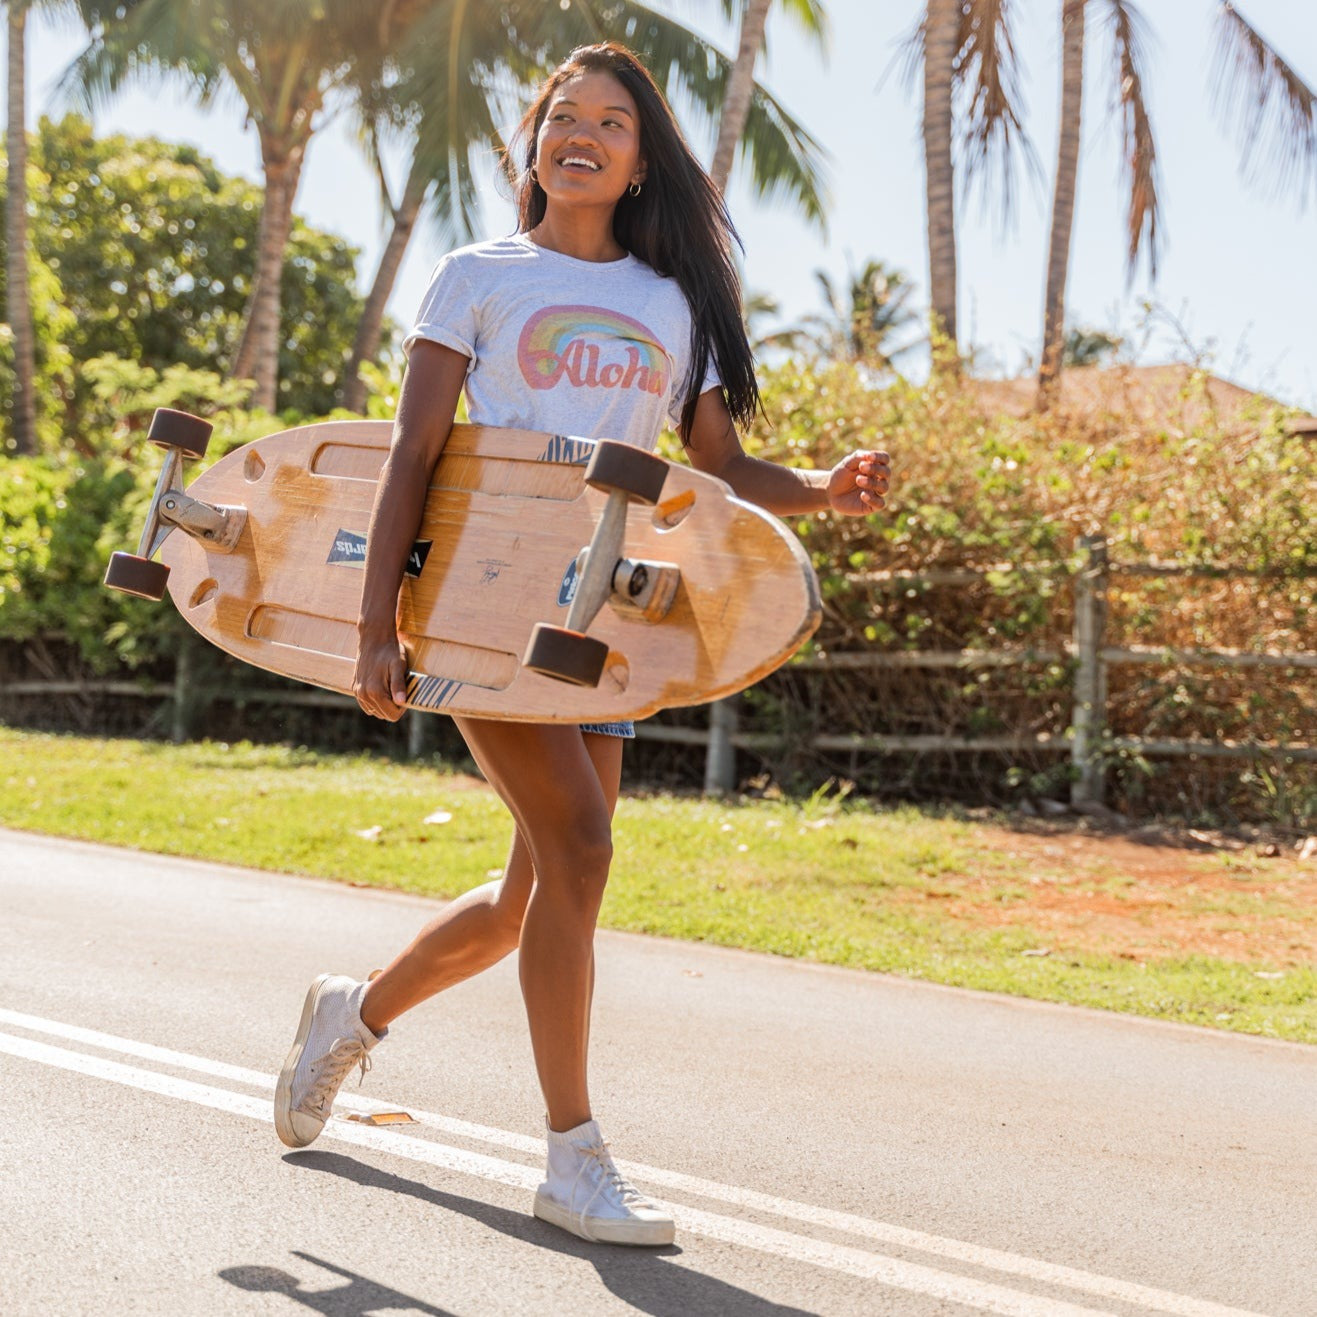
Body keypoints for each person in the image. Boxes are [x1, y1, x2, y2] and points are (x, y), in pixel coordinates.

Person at [273, 41, 890, 1248]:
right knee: (584, 842)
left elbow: (720, 473)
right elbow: (413, 455)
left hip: (603, 615)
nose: (586, 134)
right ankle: (571, 1156)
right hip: (477, 595)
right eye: (567, 114)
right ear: (535, 139)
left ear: (639, 157)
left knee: (528, 900)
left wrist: (823, 487)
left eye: (614, 122)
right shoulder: (475, 274)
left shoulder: (673, 303)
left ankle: (350, 1013)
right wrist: (375, 626)